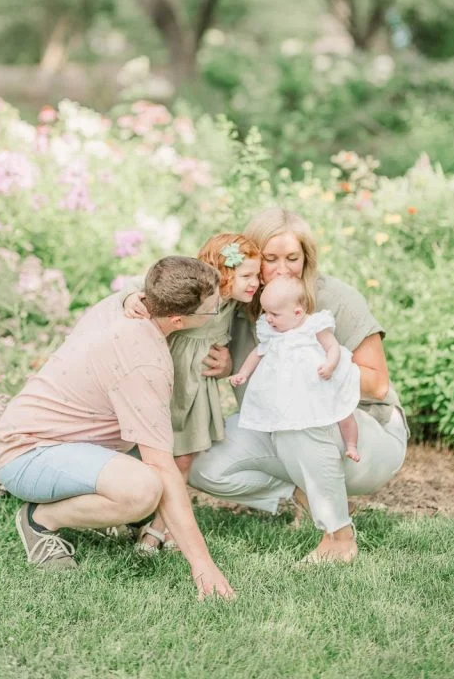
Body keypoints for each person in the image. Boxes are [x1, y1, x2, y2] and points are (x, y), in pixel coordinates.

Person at [0, 255, 235, 599]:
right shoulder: (145, 361)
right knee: (144, 490)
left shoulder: (128, 302)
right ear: (178, 319)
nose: (219, 307)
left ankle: (108, 509)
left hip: (73, 441)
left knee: (152, 486)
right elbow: (161, 467)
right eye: (213, 308)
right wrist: (203, 565)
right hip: (29, 452)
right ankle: (41, 518)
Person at [188, 207, 408, 564]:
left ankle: (340, 537)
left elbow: (379, 385)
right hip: (284, 432)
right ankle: (307, 494)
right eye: (270, 259)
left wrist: (319, 370)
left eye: (292, 258)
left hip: (365, 434)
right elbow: (176, 292)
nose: (282, 269)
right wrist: (229, 364)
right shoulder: (243, 302)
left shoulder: (337, 300)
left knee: (301, 414)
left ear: (307, 259)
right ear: (252, 260)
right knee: (201, 460)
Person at [122, 234, 261, 551]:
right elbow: (144, 287)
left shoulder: (237, 305)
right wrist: (130, 297)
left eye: (256, 274)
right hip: (168, 376)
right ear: (224, 274)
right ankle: (132, 513)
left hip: (197, 385)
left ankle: (160, 528)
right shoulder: (195, 294)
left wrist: (226, 365)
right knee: (146, 451)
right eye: (247, 275)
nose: (255, 282)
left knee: (183, 458)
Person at [231, 276, 361, 463]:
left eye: (274, 314)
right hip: (296, 387)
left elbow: (332, 347)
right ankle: (288, 452)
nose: (268, 318)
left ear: (298, 312)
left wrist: (330, 365)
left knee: (342, 410)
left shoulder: (314, 325)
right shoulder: (272, 331)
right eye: (266, 312)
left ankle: (351, 445)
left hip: (321, 379)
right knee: (290, 414)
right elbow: (258, 352)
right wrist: (243, 373)